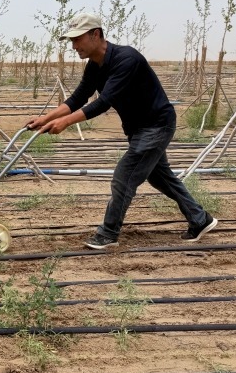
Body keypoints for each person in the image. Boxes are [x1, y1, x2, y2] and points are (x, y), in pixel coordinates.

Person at [26, 13, 217, 250]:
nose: (73, 46)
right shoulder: (94, 66)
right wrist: (45, 118)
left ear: (95, 34)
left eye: (77, 39)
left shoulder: (127, 59)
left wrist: (65, 123)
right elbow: (78, 98)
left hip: (156, 125)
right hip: (139, 128)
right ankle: (200, 219)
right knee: (160, 177)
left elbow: (103, 102)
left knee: (124, 177)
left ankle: (108, 233)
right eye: (72, 41)